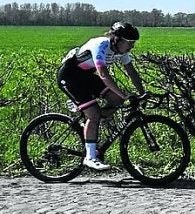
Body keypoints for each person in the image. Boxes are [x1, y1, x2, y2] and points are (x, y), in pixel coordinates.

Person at [56, 21, 148, 171]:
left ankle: (91, 122)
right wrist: (125, 95)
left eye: (134, 43)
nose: (132, 47)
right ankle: (90, 157)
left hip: (86, 77)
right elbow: (104, 75)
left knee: (116, 100)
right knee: (94, 115)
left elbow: (132, 72)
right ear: (117, 39)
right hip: (70, 77)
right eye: (129, 42)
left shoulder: (121, 52)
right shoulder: (100, 45)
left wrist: (142, 92)